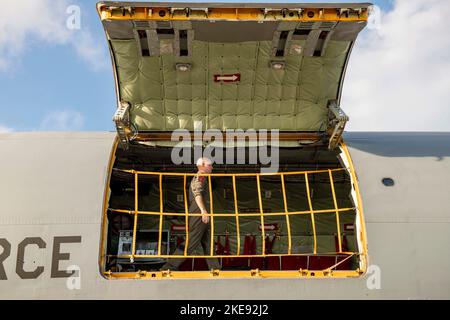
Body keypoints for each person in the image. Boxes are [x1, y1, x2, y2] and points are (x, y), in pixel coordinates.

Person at [161, 157, 221, 271]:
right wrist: (203, 211)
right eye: (210, 165)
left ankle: (215, 268)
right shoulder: (201, 176)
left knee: (208, 243)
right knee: (191, 241)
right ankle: (169, 266)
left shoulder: (204, 177)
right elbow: (197, 194)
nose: (212, 167)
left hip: (203, 213)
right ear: (202, 165)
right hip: (199, 213)